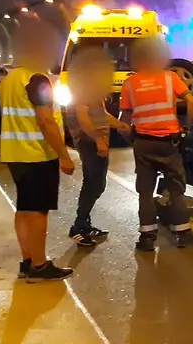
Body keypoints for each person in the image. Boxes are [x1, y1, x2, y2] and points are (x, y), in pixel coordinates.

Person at [0, 18, 75, 282]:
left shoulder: (9, 79)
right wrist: (64, 156)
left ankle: (27, 261)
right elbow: (45, 121)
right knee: (38, 211)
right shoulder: (37, 79)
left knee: (24, 209)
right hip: (37, 155)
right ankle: (40, 266)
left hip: (14, 154)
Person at [119, 37, 193, 251]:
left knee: (145, 191)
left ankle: (146, 238)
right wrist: (186, 128)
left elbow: (124, 122)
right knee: (175, 188)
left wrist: (132, 139)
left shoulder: (130, 83)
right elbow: (191, 102)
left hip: (143, 143)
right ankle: (182, 233)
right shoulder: (170, 78)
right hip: (168, 143)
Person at [65, 47, 131, 247]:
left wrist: (119, 124)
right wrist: (98, 140)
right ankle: (78, 226)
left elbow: (100, 115)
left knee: (95, 183)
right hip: (89, 143)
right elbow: (84, 119)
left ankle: (84, 224)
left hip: (94, 141)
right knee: (94, 184)